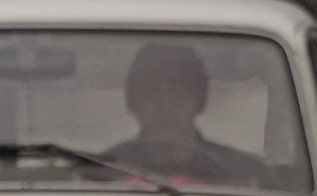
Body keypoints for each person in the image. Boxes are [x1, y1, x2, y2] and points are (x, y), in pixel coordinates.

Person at [103, 43, 269, 185]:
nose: (165, 106)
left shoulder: (241, 175)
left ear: (199, 100)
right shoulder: (99, 174)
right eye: (152, 93)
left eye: (177, 92)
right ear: (133, 101)